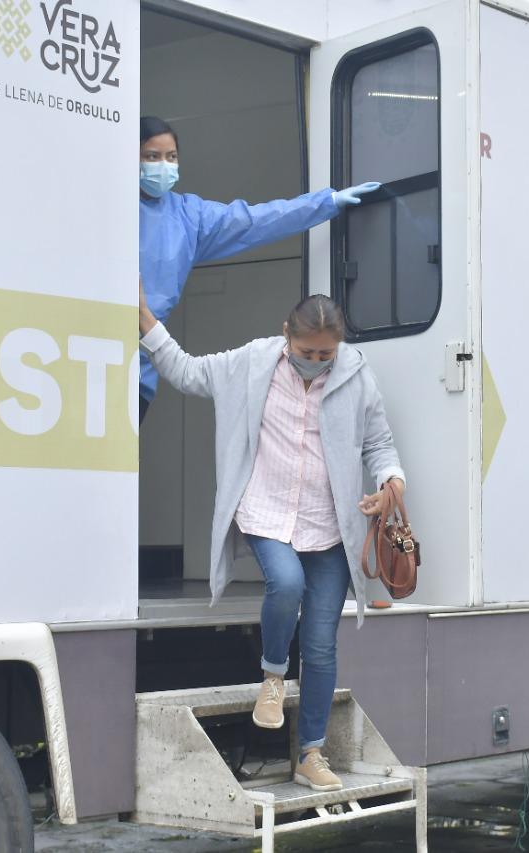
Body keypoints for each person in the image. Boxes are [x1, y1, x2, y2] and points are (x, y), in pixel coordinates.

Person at [138, 282, 406, 792]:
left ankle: (311, 754)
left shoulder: (355, 375)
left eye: (326, 354)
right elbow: (188, 371)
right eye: (307, 352)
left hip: (329, 525)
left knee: (322, 646)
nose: (316, 362)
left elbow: (379, 443)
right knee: (286, 583)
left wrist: (391, 482)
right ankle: (273, 675)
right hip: (266, 511)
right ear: (287, 335)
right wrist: (147, 322)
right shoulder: (252, 363)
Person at [138, 115, 380, 421]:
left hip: (139, 375)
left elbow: (258, 220)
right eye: (152, 156)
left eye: (171, 157)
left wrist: (328, 202)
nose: (163, 165)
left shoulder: (188, 216)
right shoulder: (107, 204)